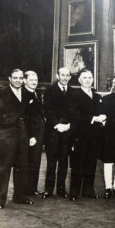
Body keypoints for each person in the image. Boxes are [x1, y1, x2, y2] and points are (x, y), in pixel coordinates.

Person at [0, 68, 32, 209]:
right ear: (10, 79)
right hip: (6, 135)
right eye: (15, 78)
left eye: (20, 78)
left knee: (22, 166)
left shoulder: (26, 92)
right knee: (3, 168)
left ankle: (19, 196)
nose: (18, 80)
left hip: (23, 135)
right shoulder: (0, 93)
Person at [69, 70, 106, 201]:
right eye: (84, 78)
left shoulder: (96, 96)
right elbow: (74, 115)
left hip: (94, 135)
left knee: (91, 162)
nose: (88, 80)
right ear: (79, 80)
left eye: (90, 77)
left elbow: (101, 112)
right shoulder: (74, 95)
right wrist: (93, 118)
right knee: (78, 163)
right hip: (80, 134)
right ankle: (74, 192)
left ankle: (88, 190)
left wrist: (103, 117)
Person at [42, 67, 74, 199]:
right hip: (53, 131)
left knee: (63, 161)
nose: (65, 77)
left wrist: (67, 125)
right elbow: (47, 110)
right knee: (51, 161)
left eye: (68, 75)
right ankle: (48, 189)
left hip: (67, 130)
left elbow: (74, 111)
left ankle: (61, 189)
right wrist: (57, 124)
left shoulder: (72, 91)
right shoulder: (49, 90)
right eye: (63, 75)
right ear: (57, 76)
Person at [23, 70, 45, 197]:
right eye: (31, 80)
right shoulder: (23, 94)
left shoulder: (37, 93)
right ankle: (25, 190)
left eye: (35, 80)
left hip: (39, 133)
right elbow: (25, 118)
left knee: (35, 162)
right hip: (29, 135)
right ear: (25, 81)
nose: (34, 82)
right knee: (27, 162)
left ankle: (32, 189)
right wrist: (31, 135)